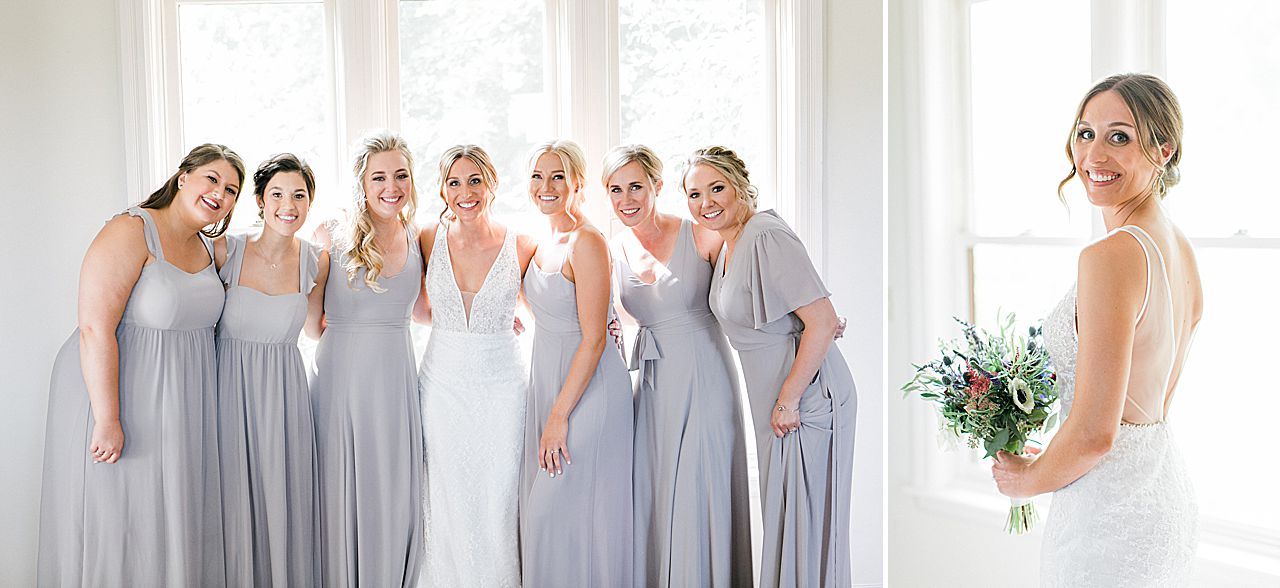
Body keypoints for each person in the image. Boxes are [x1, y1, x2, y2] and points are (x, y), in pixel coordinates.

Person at [992, 73, 1201, 587]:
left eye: (1120, 136)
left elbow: (1097, 434)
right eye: (1086, 133)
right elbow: (1139, 407)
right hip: (1162, 500)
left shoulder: (1110, 257)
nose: (1094, 154)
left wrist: (1026, 481)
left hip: (1108, 518)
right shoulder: (1180, 248)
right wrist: (1058, 451)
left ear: (1163, 150)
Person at [38, 144, 245, 586]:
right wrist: (107, 418)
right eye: (212, 178)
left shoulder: (210, 249)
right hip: (121, 397)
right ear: (183, 176)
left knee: (170, 521)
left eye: (231, 190)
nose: (220, 194)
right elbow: (94, 327)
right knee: (122, 521)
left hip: (181, 405)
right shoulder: (131, 229)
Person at [690, 146, 857, 588]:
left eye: (716, 188)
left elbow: (821, 320)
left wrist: (788, 400)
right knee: (786, 523)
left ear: (740, 186)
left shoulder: (764, 234)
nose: (705, 202)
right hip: (776, 402)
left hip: (804, 400)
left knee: (807, 528)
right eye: (694, 194)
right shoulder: (727, 246)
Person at [602, 144, 751, 587]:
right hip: (649, 386)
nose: (626, 199)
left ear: (656, 187)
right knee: (654, 492)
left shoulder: (701, 235)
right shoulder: (614, 248)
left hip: (703, 376)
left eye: (635, 186)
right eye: (615, 190)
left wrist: (808, 315)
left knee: (697, 490)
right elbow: (612, 313)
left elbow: (748, 286)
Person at [414, 145, 535, 586]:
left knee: (498, 497)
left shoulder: (521, 244)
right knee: (445, 496)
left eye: (474, 181)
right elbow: (410, 300)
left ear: (492, 183)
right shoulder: (427, 237)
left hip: (502, 385)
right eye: (454, 182)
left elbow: (557, 301)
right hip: (442, 381)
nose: (465, 192)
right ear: (442, 190)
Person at [309, 130, 425, 586]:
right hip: (342, 374)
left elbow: (423, 310)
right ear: (361, 182)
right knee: (340, 487)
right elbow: (308, 321)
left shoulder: (420, 236)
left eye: (400, 175)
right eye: (379, 177)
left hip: (395, 373)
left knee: (391, 487)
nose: (391, 187)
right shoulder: (330, 235)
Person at [519, 139, 634, 587]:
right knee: (558, 519)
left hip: (588, 391)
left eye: (557, 176)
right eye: (537, 176)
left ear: (577, 183)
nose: (546, 186)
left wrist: (558, 415)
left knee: (564, 512)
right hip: (552, 381)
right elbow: (552, 308)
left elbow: (592, 339)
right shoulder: (541, 240)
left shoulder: (586, 241)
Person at [214, 153, 326, 585]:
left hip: (285, 396)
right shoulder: (228, 250)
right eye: (277, 194)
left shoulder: (317, 261)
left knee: (283, 501)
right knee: (231, 502)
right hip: (229, 391)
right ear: (260, 200)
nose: (288, 205)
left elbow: (317, 329)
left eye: (299, 195)